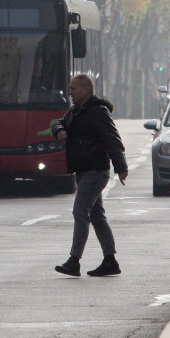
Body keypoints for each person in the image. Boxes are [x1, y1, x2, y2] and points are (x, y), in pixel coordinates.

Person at [52, 73, 129, 278]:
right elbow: (58, 122)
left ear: (87, 89)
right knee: (97, 216)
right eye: (70, 89)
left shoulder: (98, 112)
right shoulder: (75, 111)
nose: (70, 92)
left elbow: (113, 140)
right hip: (85, 170)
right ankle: (110, 261)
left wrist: (121, 167)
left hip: (96, 171)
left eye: (74, 89)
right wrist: (59, 130)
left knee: (80, 212)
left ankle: (74, 261)